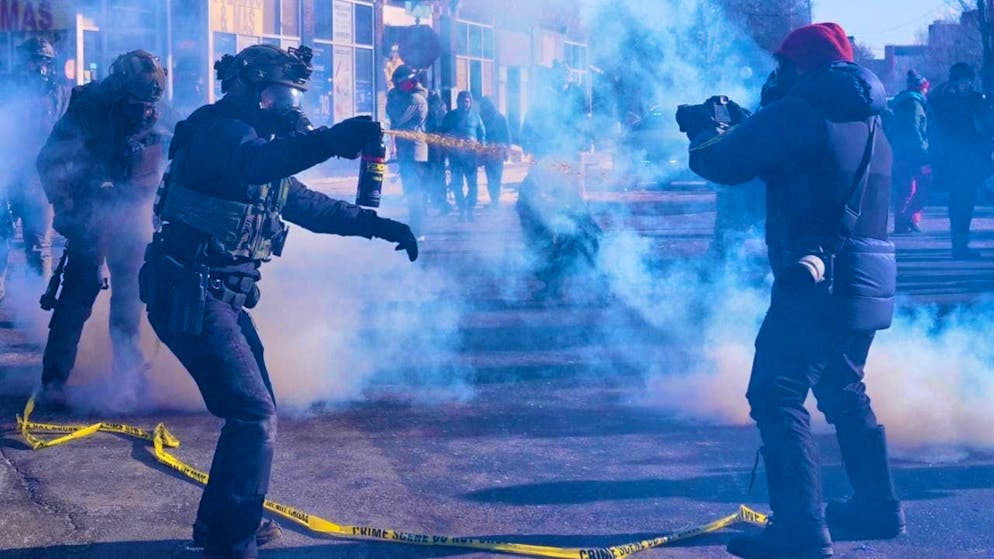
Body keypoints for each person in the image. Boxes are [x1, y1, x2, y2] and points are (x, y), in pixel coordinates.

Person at [140, 44, 418, 559]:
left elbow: (308, 205)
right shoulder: (220, 132)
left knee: (253, 409)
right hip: (191, 294)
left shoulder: (252, 147)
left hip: (216, 296)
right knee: (253, 414)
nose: (287, 108)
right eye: (277, 97)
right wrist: (330, 140)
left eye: (292, 98)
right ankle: (229, 544)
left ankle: (224, 522)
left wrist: (380, 226)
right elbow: (258, 162)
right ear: (249, 90)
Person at [678, 23, 904, 559]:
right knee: (843, 389)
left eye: (781, 65)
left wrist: (704, 127)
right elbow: (809, 169)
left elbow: (722, 162)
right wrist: (752, 123)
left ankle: (800, 529)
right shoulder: (871, 121)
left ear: (801, 64)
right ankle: (878, 507)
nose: (774, 75)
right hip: (867, 280)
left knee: (775, 394)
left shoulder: (799, 112)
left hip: (815, 280)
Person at [35, 50, 167, 408]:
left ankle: (128, 373)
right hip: (90, 214)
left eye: (149, 106)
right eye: (137, 105)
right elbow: (48, 161)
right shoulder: (88, 111)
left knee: (131, 292)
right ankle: (54, 381)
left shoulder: (146, 104)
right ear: (119, 90)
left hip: (131, 212)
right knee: (78, 294)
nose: (145, 112)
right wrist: (67, 208)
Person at [0, 37, 70, 300]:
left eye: (44, 61)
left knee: (39, 245)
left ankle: (36, 302)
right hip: (9, 178)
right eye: (33, 61)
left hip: (40, 182)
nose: (39, 67)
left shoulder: (60, 94)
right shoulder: (7, 90)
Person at [928, 62, 994, 258]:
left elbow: (986, 127)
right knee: (961, 201)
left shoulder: (970, 100)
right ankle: (959, 246)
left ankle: (959, 244)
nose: (966, 85)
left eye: (967, 81)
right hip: (959, 160)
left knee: (962, 201)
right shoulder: (946, 100)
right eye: (962, 80)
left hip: (966, 160)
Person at [386, 64, 429, 236]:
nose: (396, 88)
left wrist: (392, 100)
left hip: (414, 153)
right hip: (407, 151)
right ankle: (416, 227)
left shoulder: (415, 99)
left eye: (398, 84)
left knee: (414, 192)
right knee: (411, 191)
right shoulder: (407, 97)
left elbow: (398, 119)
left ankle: (418, 230)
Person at [888, 69, 930, 234]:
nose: (927, 91)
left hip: (899, 152)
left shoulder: (902, 102)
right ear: (920, 88)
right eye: (925, 88)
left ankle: (902, 223)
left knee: (905, 188)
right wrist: (923, 154)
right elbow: (915, 130)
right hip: (913, 154)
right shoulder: (914, 104)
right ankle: (907, 218)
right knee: (924, 186)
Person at [441, 90, 485, 221]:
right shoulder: (450, 116)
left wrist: (480, 148)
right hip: (455, 156)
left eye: (467, 101)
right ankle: (461, 210)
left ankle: (470, 210)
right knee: (457, 184)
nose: (465, 104)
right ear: (458, 102)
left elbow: (482, 133)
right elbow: (442, 132)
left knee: (472, 184)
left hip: (471, 156)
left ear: (470, 102)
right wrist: (446, 145)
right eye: (462, 101)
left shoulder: (476, 116)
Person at [478, 96, 510, 208]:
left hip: (498, 151)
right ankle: (493, 200)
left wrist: (506, 151)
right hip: (487, 152)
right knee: (490, 177)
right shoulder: (481, 118)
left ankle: (495, 200)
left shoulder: (500, 118)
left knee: (496, 177)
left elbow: (506, 136)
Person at [425, 90, 451, 214]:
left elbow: (432, 125)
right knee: (440, 175)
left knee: (430, 175)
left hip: (432, 146)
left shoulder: (430, 107)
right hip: (440, 146)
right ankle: (441, 202)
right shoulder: (442, 106)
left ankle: (433, 202)